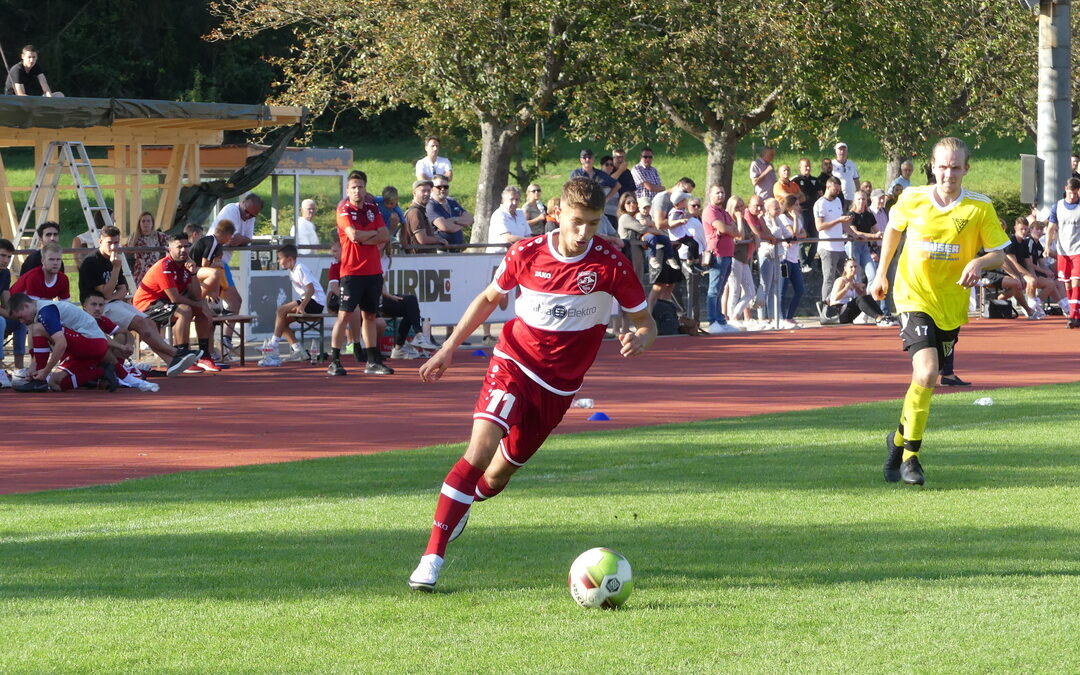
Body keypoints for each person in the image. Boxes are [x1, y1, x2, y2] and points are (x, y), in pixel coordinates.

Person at [407, 177, 656, 592]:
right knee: (480, 450)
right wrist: (448, 347)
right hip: (512, 363)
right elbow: (490, 298)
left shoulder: (610, 264)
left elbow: (645, 323)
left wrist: (640, 339)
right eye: (577, 222)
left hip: (558, 389)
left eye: (593, 223)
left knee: (498, 476)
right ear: (556, 214)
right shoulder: (526, 252)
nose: (583, 232)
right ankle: (431, 558)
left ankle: (465, 502)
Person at [870, 137, 1010, 486]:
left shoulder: (979, 207)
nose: (948, 173)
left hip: (951, 304)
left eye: (956, 167)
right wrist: (880, 273)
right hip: (912, 296)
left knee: (925, 381)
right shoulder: (913, 197)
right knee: (928, 371)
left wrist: (980, 261)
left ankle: (897, 441)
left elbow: (1000, 254)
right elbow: (892, 230)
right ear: (932, 166)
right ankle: (912, 458)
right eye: (943, 166)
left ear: (967, 169)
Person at [79, 225, 198, 375]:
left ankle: (171, 361)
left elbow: (122, 290)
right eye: (110, 243)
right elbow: (106, 291)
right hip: (97, 308)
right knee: (140, 322)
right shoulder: (92, 262)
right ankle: (177, 353)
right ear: (100, 241)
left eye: (116, 243)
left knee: (148, 322)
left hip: (112, 303)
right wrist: (115, 269)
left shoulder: (114, 259)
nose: (114, 247)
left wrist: (110, 296)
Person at [329, 170, 393, 376]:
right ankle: (335, 360)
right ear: (348, 190)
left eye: (361, 187)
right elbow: (353, 235)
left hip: (373, 271)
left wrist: (369, 236)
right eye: (354, 187)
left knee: (371, 316)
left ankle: (372, 360)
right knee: (345, 315)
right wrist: (371, 236)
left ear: (366, 189)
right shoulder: (343, 209)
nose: (357, 190)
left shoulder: (372, 208)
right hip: (351, 271)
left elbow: (385, 235)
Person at [132, 233, 219, 374]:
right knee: (184, 310)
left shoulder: (186, 266)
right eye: (179, 247)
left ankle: (204, 356)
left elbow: (196, 296)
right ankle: (183, 355)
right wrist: (197, 304)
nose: (184, 250)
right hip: (147, 305)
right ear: (169, 249)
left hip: (164, 303)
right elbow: (175, 298)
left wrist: (193, 274)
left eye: (186, 246)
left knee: (201, 308)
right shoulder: (164, 266)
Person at [8, 293, 117, 393]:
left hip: (92, 343)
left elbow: (61, 343)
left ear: (26, 306)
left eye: (21, 317)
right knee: (55, 383)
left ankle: (39, 381)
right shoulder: (41, 311)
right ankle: (102, 371)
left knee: (38, 328)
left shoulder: (45, 311)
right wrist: (33, 367)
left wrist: (45, 371)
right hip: (90, 345)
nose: (21, 321)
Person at [81, 291, 159, 392]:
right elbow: (101, 338)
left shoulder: (103, 320)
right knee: (102, 348)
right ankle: (124, 376)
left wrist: (129, 345)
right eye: (93, 304)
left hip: (97, 358)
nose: (97, 308)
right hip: (80, 361)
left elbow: (126, 332)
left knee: (121, 335)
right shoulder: (82, 320)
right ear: (84, 307)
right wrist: (122, 347)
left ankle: (117, 372)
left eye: (101, 305)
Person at [269, 244, 327, 361]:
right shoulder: (292, 271)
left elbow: (311, 289)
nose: (279, 262)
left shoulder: (300, 268)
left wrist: (302, 306)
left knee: (281, 311)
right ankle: (298, 350)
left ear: (289, 259)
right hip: (308, 300)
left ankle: (272, 345)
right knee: (282, 322)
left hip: (316, 302)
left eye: (280, 259)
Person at [702, 184, 738, 334]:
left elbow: (736, 231)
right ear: (710, 194)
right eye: (717, 193)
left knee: (721, 288)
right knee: (714, 289)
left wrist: (727, 229)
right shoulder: (710, 211)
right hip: (717, 253)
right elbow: (723, 229)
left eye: (722, 192)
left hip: (728, 253)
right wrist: (727, 229)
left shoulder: (723, 212)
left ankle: (721, 320)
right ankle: (712, 320)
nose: (720, 195)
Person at [1046, 176, 1080, 328]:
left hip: (1078, 250)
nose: (1072, 196)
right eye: (1070, 192)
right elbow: (1051, 228)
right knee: (1067, 284)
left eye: (1075, 193)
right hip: (1062, 250)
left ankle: (1073, 316)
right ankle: (1075, 313)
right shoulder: (1057, 206)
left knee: (1076, 280)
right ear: (1065, 190)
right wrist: (1047, 246)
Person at [813, 177, 853, 303]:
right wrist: (838, 221)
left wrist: (852, 232)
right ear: (829, 186)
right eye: (836, 189)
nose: (838, 192)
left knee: (847, 275)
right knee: (829, 278)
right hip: (828, 247)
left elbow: (842, 223)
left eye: (839, 190)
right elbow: (819, 226)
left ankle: (843, 302)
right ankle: (826, 305)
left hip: (840, 246)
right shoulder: (820, 203)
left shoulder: (837, 202)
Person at [826, 259, 895, 326]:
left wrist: (861, 288)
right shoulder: (841, 280)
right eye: (851, 267)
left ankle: (882, 316)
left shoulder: (854, 281)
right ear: (845, 268)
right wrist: (846, 288)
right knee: (859, 299)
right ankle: (878, 318)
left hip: (848, 312)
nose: (854, 269)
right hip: (838, 312)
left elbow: (864, 299)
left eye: (855, 267)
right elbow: (834, 298)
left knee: (867, 297)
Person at [0, 238, 27, 382]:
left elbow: (6, 298)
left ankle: (19, 370)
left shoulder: (4, 273)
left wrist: (17, 314)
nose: (6, 260)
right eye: (2, 255)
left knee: (20, 322)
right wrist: (10, 314)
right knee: (0, 322)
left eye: (9, 257)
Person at [570, 150, 618, 226]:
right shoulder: (576, 174)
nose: (587, 159)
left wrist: (607, 198)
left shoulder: (601, 174)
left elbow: (617, 185)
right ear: (581, 160)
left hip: (597, 208)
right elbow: (570, 190)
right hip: (581, 208)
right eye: (584, 158)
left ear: (593, 159)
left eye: (589, 157)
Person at [400, 180, 448, 252]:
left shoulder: (420, 211)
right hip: (419, 260)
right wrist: (440, 240)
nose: (427, 194)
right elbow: (422, 239)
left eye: (429, 191)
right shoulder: (415, 212)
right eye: (423, 191)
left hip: (423, 259)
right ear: (414, 193)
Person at [792, 158, 821, 271]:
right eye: (805, 166)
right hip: (802, 212)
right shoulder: (796, 180)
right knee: (801, 238)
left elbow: (821, 194)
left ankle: (809, 262)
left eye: (809, 166)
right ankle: (802, 263)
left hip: (814, 212)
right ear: (800, 167)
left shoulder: (815, 180)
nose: (808, 168)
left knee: (815, 239)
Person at [427, 177, 473, 249]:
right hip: (441, 251)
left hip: (458, 250)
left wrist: (454, 220)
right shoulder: (430, 205)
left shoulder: (452, 202)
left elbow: (470, 219)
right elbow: (445, 227)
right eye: (439, 187)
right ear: (432, 189)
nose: (443, 189)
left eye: (446, 187)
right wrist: (463, 223)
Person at [128, 212, 169, 286]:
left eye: (148, 221)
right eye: (143, 221)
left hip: (156, 269)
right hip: (140, 271)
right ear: (139, 224)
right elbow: (129, 251)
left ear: (152, 223)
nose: (145, 223)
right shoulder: (134, 237)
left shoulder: (160, 236)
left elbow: (170, 247)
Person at [487, 185, 530, 253]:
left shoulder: (520, 213)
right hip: (498, 257)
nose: (514, 203)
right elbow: (507, 238)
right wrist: (527, 241)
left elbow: (528, 234)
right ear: (503, 200)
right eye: (511, 199)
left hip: (517, 254)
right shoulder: (499, 214)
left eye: (517, 199)